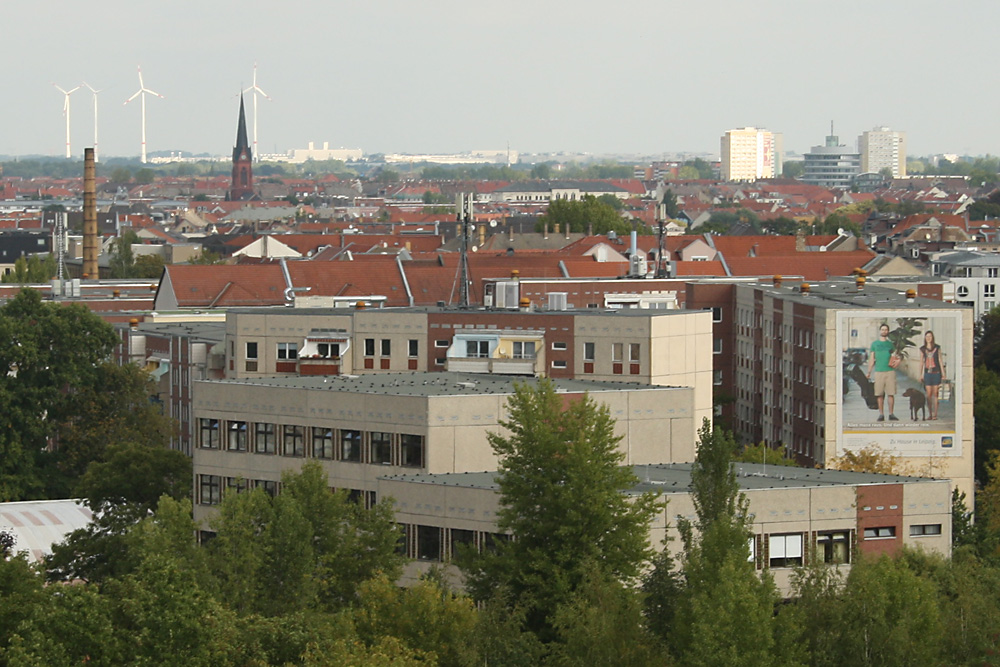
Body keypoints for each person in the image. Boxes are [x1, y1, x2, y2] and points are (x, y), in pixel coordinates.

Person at [866, 323, 898, 421]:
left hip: (890, 371)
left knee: (891, 393)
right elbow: (872, 358)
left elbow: (895, 356)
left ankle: (891, 414)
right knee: (879, 394)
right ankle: (881, 414)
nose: (884, 331)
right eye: (883, 329)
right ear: (880, 331)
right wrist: (869, 372)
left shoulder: (890, 344)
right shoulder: (875, 344)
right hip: (879, 371)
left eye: (886, 330)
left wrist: (897, 361)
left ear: (888, 331)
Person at [920, 330, 946, 420]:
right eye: (927, 336)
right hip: (927, 374)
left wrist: (943, 373)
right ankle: (930, 413)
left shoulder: (937, 348)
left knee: (936, 393)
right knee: (928, 394)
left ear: (932, 337)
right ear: (925, 338)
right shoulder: (922, 349)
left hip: (936, 373)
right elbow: (922, 362)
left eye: (930, 336)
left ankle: (935, 414)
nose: (928, 338)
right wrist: (921, 374)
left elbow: (940, 360)